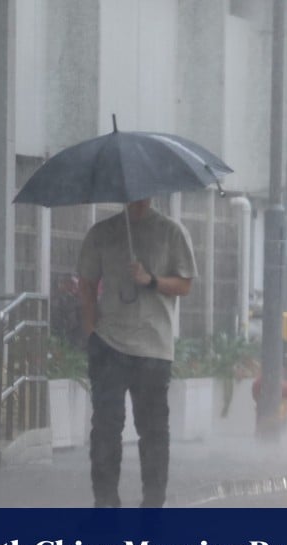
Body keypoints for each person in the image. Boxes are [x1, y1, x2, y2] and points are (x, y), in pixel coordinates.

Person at [78, 197, 197, 508]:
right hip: (109, 345)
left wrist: (151, 280)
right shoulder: (102, 232)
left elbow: (184, 284)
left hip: (153, 348)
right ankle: (105, 504)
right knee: (106, 428)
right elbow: (87, 283)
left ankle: (153, 504)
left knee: (153, 431)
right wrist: (91, 330)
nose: (140, 197)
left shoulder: (172, 233)